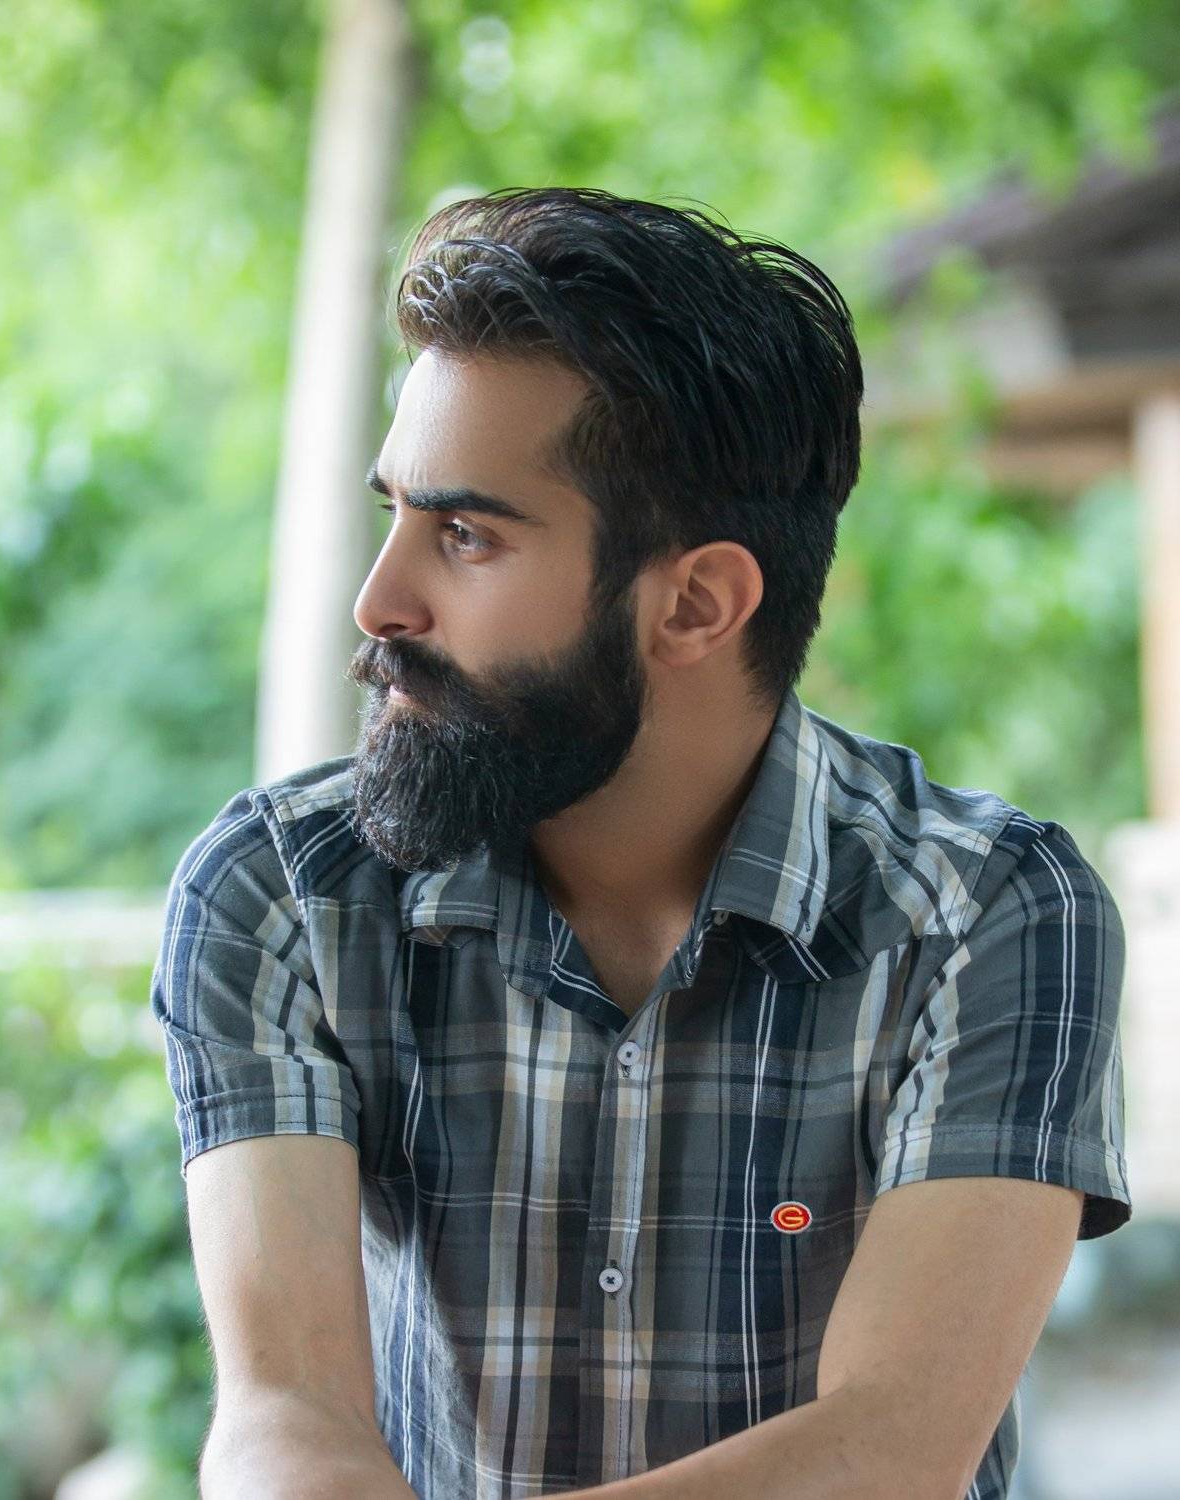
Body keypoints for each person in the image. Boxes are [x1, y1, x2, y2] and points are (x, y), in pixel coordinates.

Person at [151, 187, 1131, 1500]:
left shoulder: (991, 912)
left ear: (696, 605)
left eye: (464, 535)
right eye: (395, 515)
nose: (379, 601)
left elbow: (888, 1452)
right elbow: (284, 1418)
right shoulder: (283, 890)